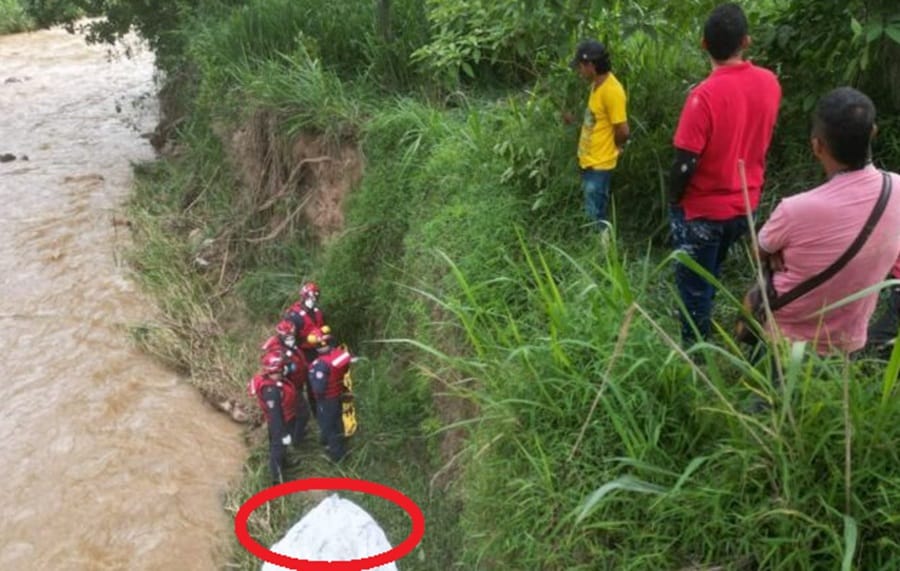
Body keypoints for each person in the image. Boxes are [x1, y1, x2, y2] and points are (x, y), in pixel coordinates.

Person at [668, 2, 781, 345]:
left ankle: (695, 353)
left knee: (695, 287)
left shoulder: (702, 98)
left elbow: (684, 164)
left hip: (702, 210)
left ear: (703, 44)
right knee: (711, 266)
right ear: (746, 41)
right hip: (746, 204)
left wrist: (674, 200)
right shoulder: (769, 83)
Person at [757, 87, 900, 354]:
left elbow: (760, 251)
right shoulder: (897, 190)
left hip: (786, 339)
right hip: (850, 342)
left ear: (816, 146)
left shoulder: (795, 209)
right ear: (873, 133)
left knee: (769, 395)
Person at [570, 39, 629, 235]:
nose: (579, 71)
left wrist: (616, 147)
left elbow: (623, 130)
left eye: (580, 66)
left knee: (596, 216)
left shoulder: (612, 91)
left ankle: (601, 252)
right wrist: (576, 122)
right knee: (591, 209)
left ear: (591, 66)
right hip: (589, 160)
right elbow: (598, 121)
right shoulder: (597, 85)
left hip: (600, 164)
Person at [248, 351, 310, 484]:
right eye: (279, 370)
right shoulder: (271, 391)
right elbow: (275, 416)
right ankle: (276, 478)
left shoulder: (276, 381)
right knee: (278, 447)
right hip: (280, 422)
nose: (282, 373)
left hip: (287, 418)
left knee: (281, 447)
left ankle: (284, 462)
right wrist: (282, 434)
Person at [307, 328, 353, 462]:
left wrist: (312, 378)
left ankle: (337, 456)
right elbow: (345, 369)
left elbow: (318, 388)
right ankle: (337, 442)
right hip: (338, 393)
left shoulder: (320, 365)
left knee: (329, 426)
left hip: (326, 399)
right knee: (337, 420)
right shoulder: (340, 354)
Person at [283, 281, 328, 363]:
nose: (313, 301)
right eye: (311, 298)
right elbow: (289, 339)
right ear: (303, 297)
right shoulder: (294, 316)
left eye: (315, 298)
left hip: (320, 345)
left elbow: (323, 328)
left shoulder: (318, 312)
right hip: (304, 350)